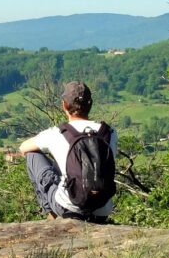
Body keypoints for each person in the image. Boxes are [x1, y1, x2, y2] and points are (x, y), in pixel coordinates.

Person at [18, 81, 117, 223]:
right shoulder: (110, 132)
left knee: (32, 155)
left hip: (69, 208)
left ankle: (50, 213)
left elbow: (23, 148)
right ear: (90, 105)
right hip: (103, 209)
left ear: (64, 105)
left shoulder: (57, 133)